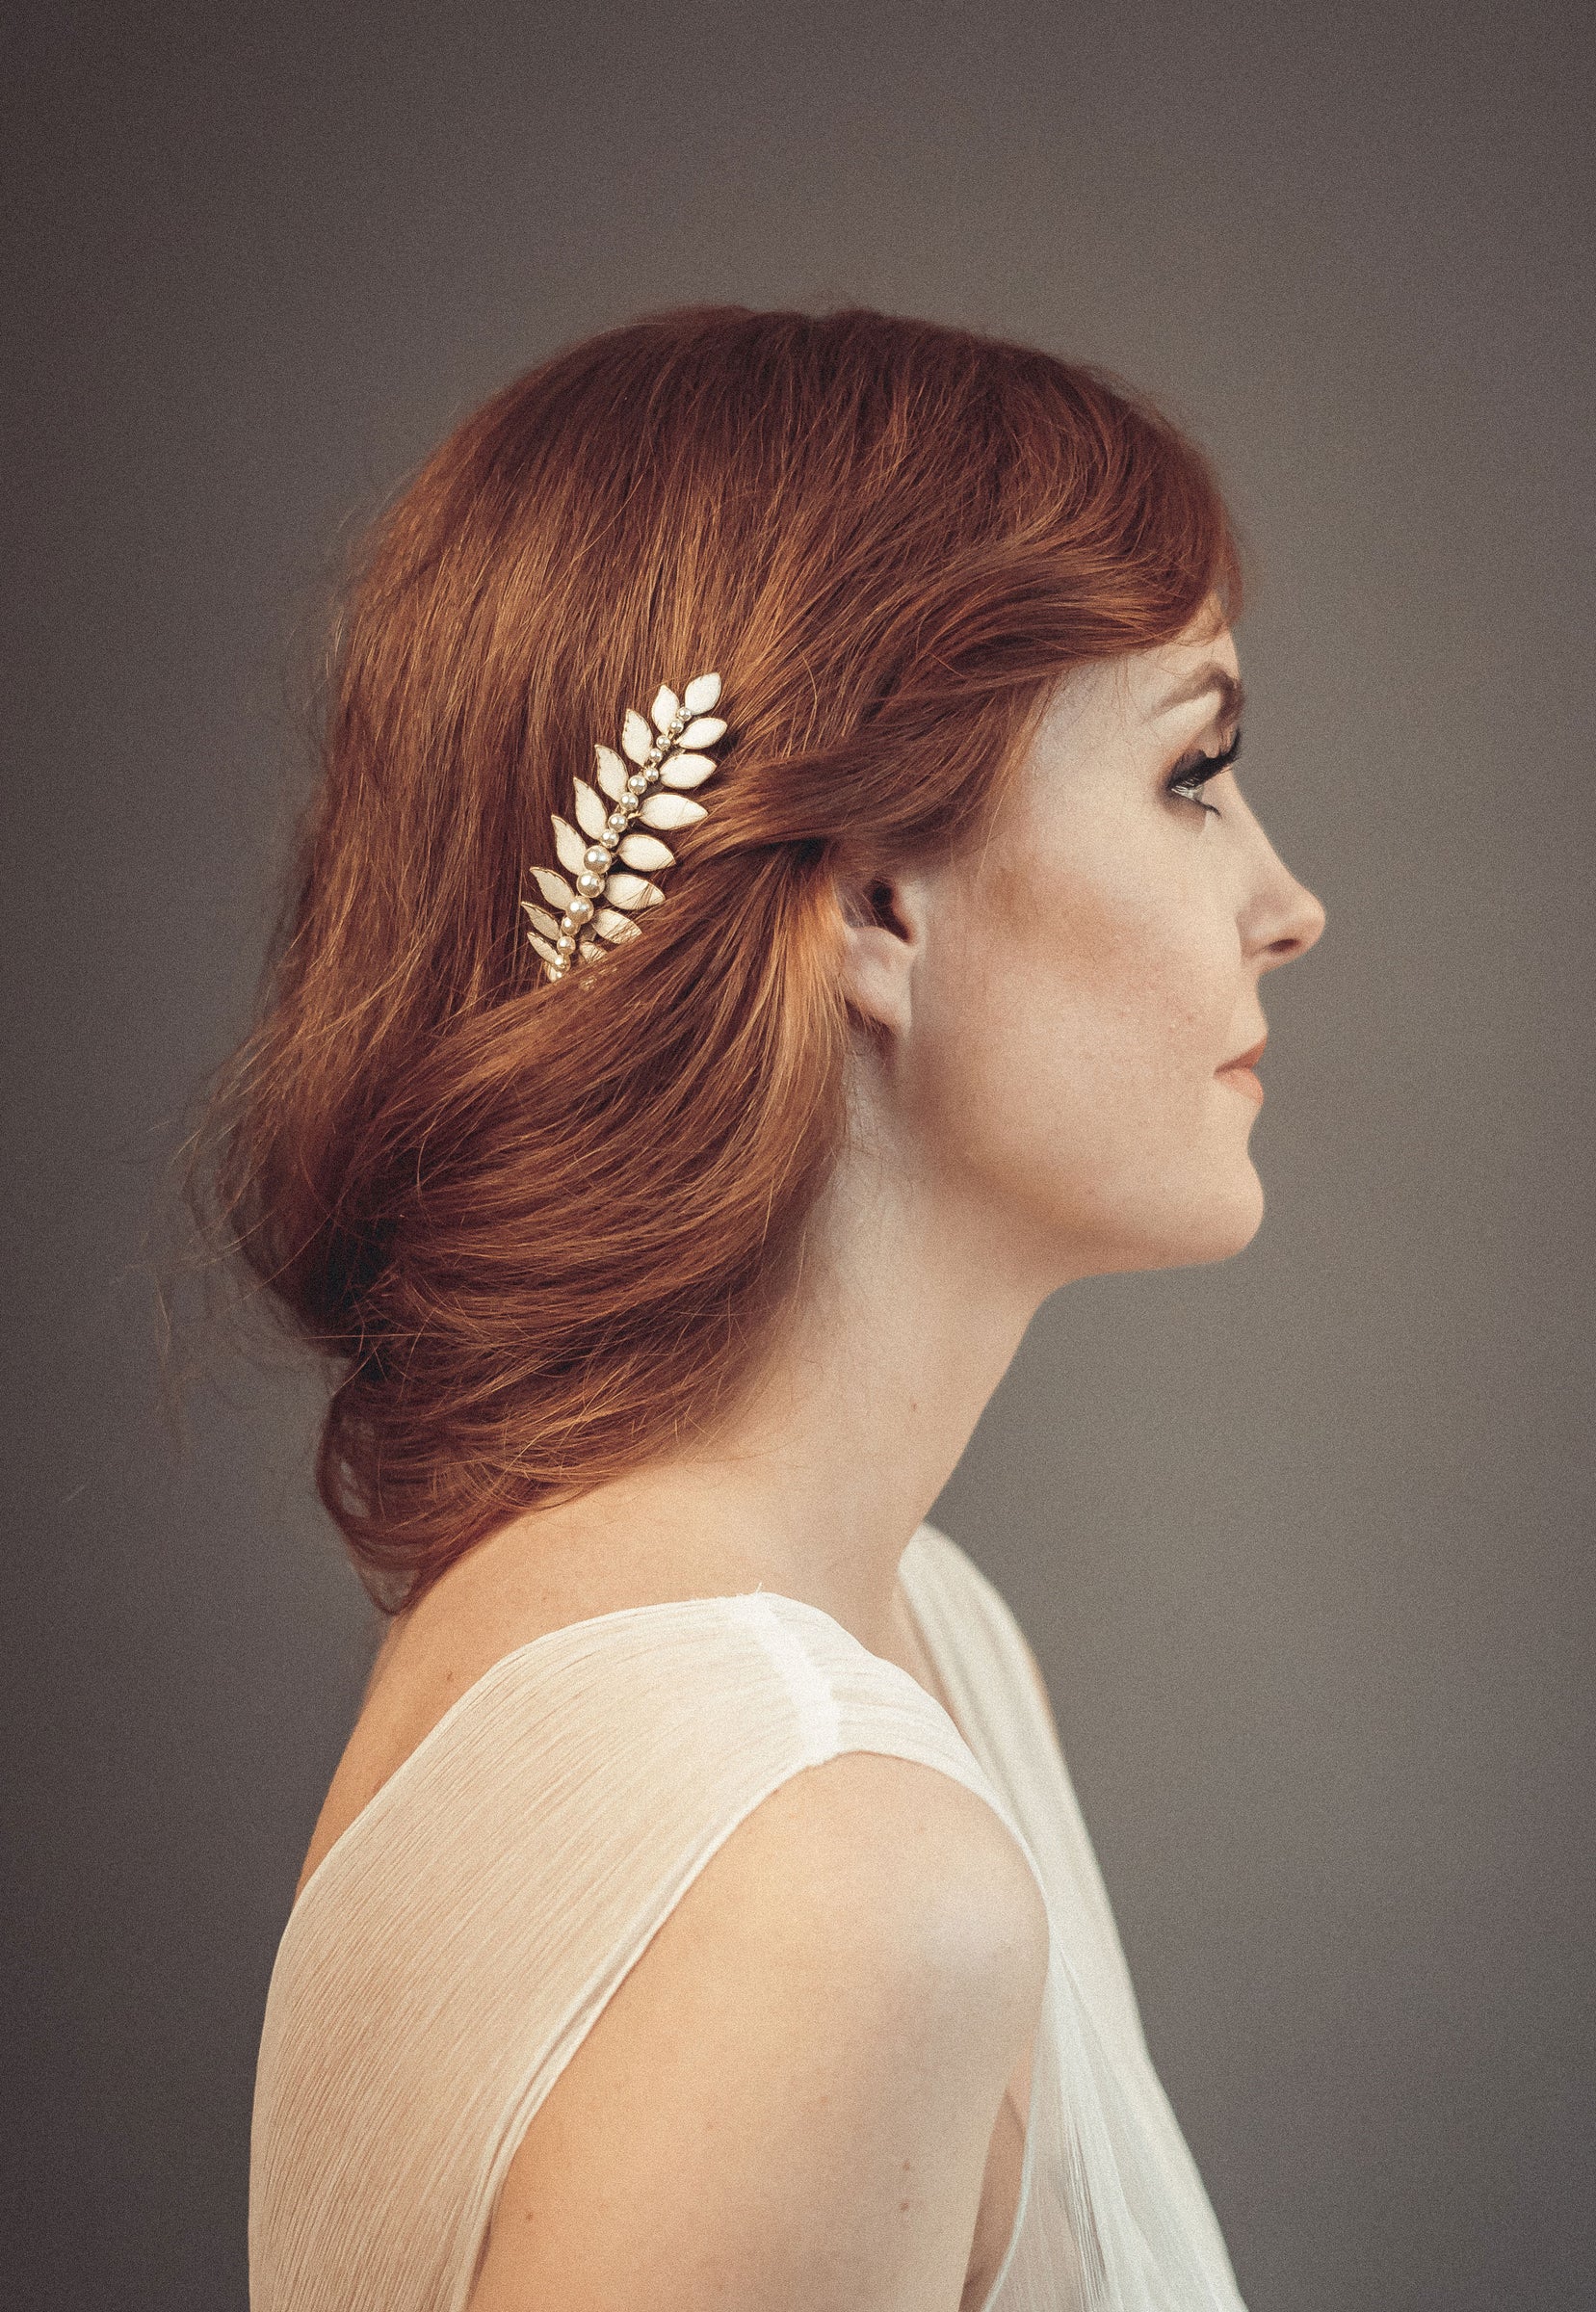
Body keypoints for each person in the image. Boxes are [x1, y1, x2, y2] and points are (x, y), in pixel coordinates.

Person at [209, 304, 1325, 2311]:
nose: (1286, 900)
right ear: (874, 903)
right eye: (1196, 771)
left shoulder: (906, 1637)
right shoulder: (818, 1879)